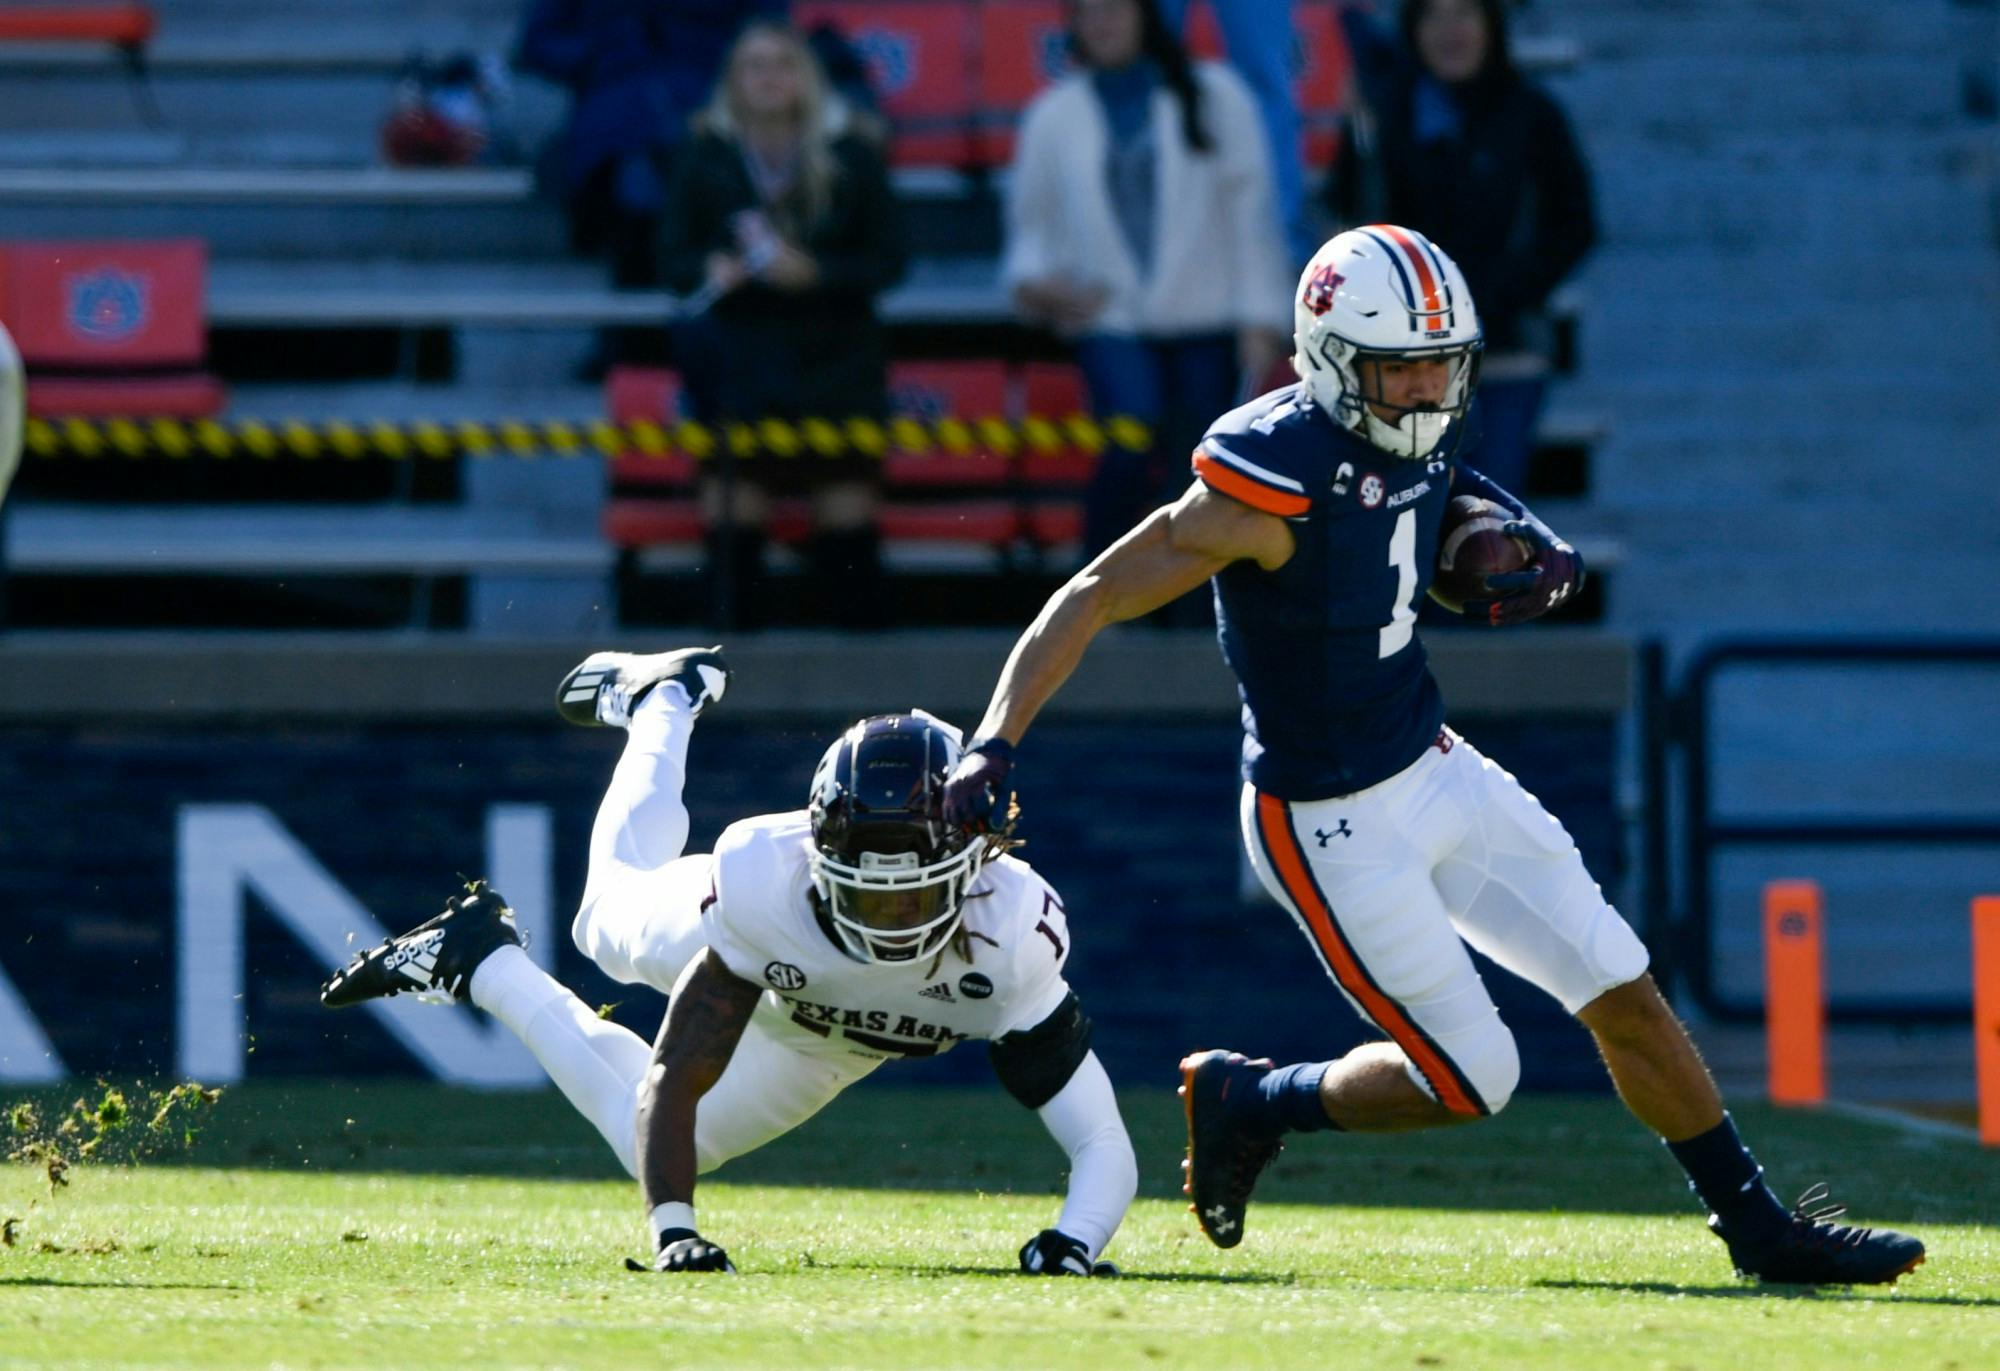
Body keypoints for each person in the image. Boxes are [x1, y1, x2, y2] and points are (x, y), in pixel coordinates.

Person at [938, 226, 1927, 1286]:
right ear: (1330, 360)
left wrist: (1513, 540)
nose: (1422, 390)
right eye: (1397, 368)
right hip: (1325, 818)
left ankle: (1758, 1229)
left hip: (1434, 761)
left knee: (1619, 982)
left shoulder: (1413, 427)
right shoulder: (1261, 484)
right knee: (1475, 1078)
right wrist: (995, 739)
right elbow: (1093, 593)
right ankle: (1253, 1099)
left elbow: (1433, 492)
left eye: (1438, 364)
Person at [322, 647, 1136, 1277]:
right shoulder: (763, 885)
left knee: (662, 1140)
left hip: (825, 1042)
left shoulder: (1012, 936)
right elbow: (675, 1069)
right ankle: (663, 699)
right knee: (601, 923)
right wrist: (673, 1231)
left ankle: (480, 960)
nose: (891, 916)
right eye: (867, 894)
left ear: (971, 866)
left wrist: (1074, 1241)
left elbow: (1102, 1140)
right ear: (820, 859)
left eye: (913, 894)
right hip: (762, 959)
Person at [1003, 0, 1292, 560]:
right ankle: (1095, 588)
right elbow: (1031, 232)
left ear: (1146, 16)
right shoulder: (1052, 114)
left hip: (1208, 317)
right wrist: (1039, 288)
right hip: (1109, 316)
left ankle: (1192, 604)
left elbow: (1251, 215)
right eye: (1088, 12)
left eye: (1115, 9)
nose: (1103, 23)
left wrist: (1260, 318)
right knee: (1129, 441)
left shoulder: (1217, 95)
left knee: (1202, 465)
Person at [658, 22, 908, 628]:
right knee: (733, 526)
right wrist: (709, 267)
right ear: (732, 81)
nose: (768, 77)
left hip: (837, 361)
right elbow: (669, 259)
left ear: (806, 77)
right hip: (742, 363)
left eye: (781, 63)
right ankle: (731, 663)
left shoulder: (853, 151)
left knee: (848, 535)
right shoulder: (704, 154)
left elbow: (889, 261)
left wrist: (815, 274)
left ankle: (860, 665)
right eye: (754, 65)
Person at [1328, 0, 1595, 496]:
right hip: (1405, 362)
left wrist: (1504, 293)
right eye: (1434, 16)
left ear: (1491, 25)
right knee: (1412, 512)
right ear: (1413, 29)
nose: (1450, 31)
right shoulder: (1384, 115)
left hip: (1507, 352)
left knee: (1488, 513)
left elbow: (1575, 225)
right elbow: (1347, 217)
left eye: (1465, 14)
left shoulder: (1532, 114)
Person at [514, 0, 788, 369]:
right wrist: (598, 56)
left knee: (693, 164)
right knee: (637, 172)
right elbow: (538, 41)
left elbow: (772, 29)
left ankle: (659, 334)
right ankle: (647, 337)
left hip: (711, 97)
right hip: (616, 106)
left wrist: (732, 62)